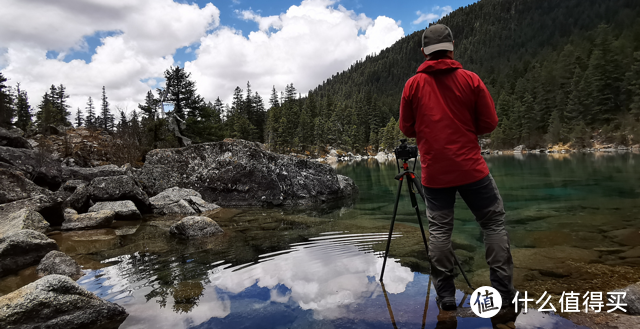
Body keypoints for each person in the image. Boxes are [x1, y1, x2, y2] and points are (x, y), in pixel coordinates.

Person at [399, 24, 516, 311]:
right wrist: (464, 127)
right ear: (452, 46)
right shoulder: (470, 80)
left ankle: (447, 296)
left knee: (440, 232)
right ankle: (502, 294)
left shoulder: (413, 85)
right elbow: (489, 124)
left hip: (436, 174)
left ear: (423, 52)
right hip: (472, 169)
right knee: (493, 224)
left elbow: (407, 128)